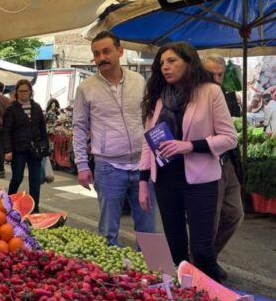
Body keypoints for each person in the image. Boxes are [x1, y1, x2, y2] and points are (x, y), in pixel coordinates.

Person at [139, 42, 237, 282]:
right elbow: (147, 142)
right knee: (175, 249)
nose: (165, 67)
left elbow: (229, 138)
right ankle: (186, 297)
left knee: (203, 250)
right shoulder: (157, 97)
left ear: (189, 61)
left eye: (172, 61)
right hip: (164, 180)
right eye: (161, 63)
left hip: (200, 180)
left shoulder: (210, 92)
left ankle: (213, 291)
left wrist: (190, 146)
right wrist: (143, 182)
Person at [73, 31, 155, 247]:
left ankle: (158, 274)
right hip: (108, 167)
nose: (101, 58)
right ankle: (110, 279)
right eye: (96, 54)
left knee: (148, 228)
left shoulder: (139, 81)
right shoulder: (85, 88)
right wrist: (82, 165)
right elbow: (79, 128)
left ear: (120, 51)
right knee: (108, 232)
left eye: (106, 51)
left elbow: (149, 119)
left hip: (142, 166)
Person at [202, 55, 244, 280]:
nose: (216, 79)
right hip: (207, 162)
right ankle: (202, 262)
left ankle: (207, 257)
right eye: (211, 74)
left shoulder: (227, 94)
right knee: (210, 219)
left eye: (220, 74)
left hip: (228, 162)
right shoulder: (196, 94)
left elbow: (233, 125)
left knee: (234, 214)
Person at [4, 79, 47, 213]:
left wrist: (44, 146)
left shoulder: (37, 108)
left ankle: (35, 208)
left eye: (26, 91)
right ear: (16, 93)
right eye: (20, 91)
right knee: (17, 177)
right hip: (18, 150)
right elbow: (6, 130)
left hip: (35, 150)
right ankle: (9, 201)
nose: (23, 94)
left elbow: (42, 128)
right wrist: (8, 150)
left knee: (35, 180)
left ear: (30, 92)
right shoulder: (11, 109)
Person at [0, 81, 11, 178]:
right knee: (2, 148)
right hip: (6, 127)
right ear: (3, 89)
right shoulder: (7, 100)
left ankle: (0, 170)